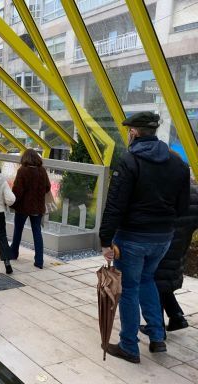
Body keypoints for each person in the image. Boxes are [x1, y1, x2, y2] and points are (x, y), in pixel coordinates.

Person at [99, 112, 190, 364]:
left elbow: (115, 205)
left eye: (129, 131)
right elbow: (182, 207)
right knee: (148, 280)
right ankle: (157, 337)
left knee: (129, 288)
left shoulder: (129, 161)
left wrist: (106, 240)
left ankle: (129, 345)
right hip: (162, 238)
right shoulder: (178, 163)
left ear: (134, 132)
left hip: (132, 238)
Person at [139, 182, 198, 337]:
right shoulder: (194, 192)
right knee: (163, 281)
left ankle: (157, 329)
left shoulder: (162, 188)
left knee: (153, 283)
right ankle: (177, 317)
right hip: (180, 246)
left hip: (160, 242)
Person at [10, 149, 51, 268]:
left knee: (18, 230)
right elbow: (47, 187)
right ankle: (39, 261)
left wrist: (12, 203)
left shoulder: (22, 171)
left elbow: (17, 190)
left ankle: (13, 253)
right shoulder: (42, 171)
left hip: (23, 207)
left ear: (25, 158)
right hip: (38, 207)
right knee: (37, 232)